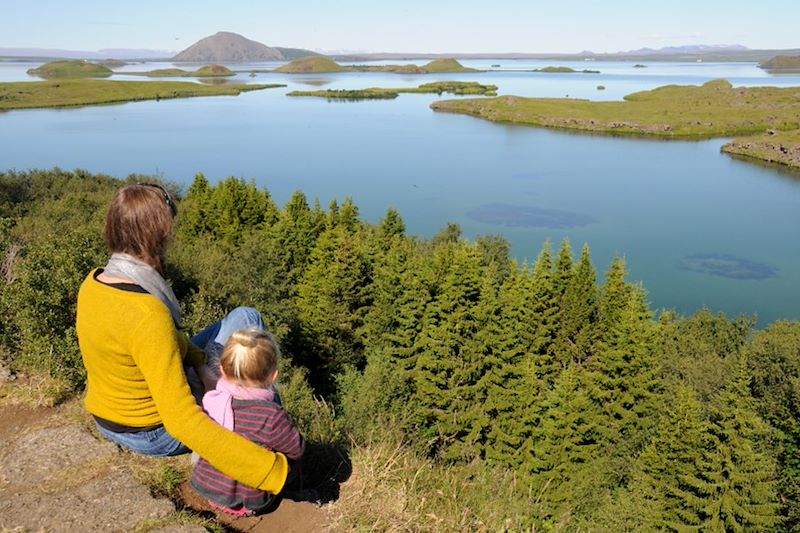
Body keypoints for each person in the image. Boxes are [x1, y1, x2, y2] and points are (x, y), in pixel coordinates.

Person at [76, 183, 288, 496]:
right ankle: (266, 425)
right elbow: (181, 421)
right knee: (255, 345)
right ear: (157, 233)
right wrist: (268, 470)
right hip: (152, 433)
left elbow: (157, 341)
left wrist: (201, 363)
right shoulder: (147, 314)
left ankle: (237, 400)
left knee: (245, 316)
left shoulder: (94, 283)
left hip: (108, 416)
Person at [191, 327, 305, 516]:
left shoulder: (211, 400)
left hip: (208, 488)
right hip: (247, 502)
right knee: (289, 458)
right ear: (273, 376)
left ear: (221, 370)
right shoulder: (271, 416)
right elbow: (297, 448)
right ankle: (296, 490)